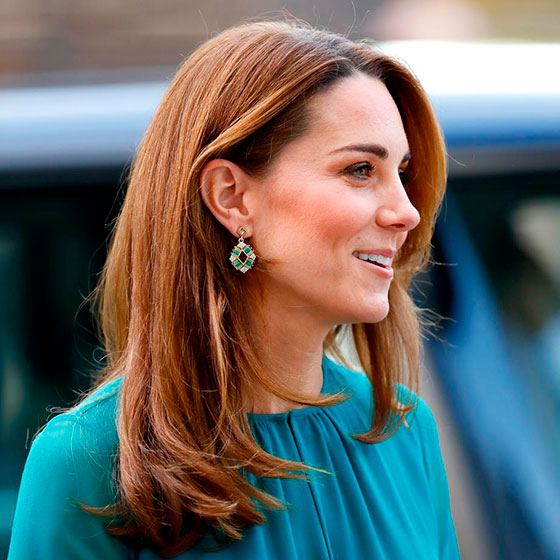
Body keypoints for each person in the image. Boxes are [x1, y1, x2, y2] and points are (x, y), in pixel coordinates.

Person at [8, 20, 460, 559]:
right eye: (360, 169)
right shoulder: (91, 463)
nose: (407, 212)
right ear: (231, 197)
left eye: (402, 173)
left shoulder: (404, 432)